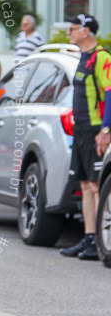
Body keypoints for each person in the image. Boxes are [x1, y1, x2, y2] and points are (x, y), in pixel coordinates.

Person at [60, 14, 111, 260]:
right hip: (79, 129)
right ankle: (89, 237)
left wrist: (106, 129)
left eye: (73, 28)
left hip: (94, 130)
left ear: (87, 31)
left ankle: (102, 239)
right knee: (83, 185)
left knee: (95, 184)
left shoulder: (102, 57)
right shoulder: (82, 57)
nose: (69, 32)